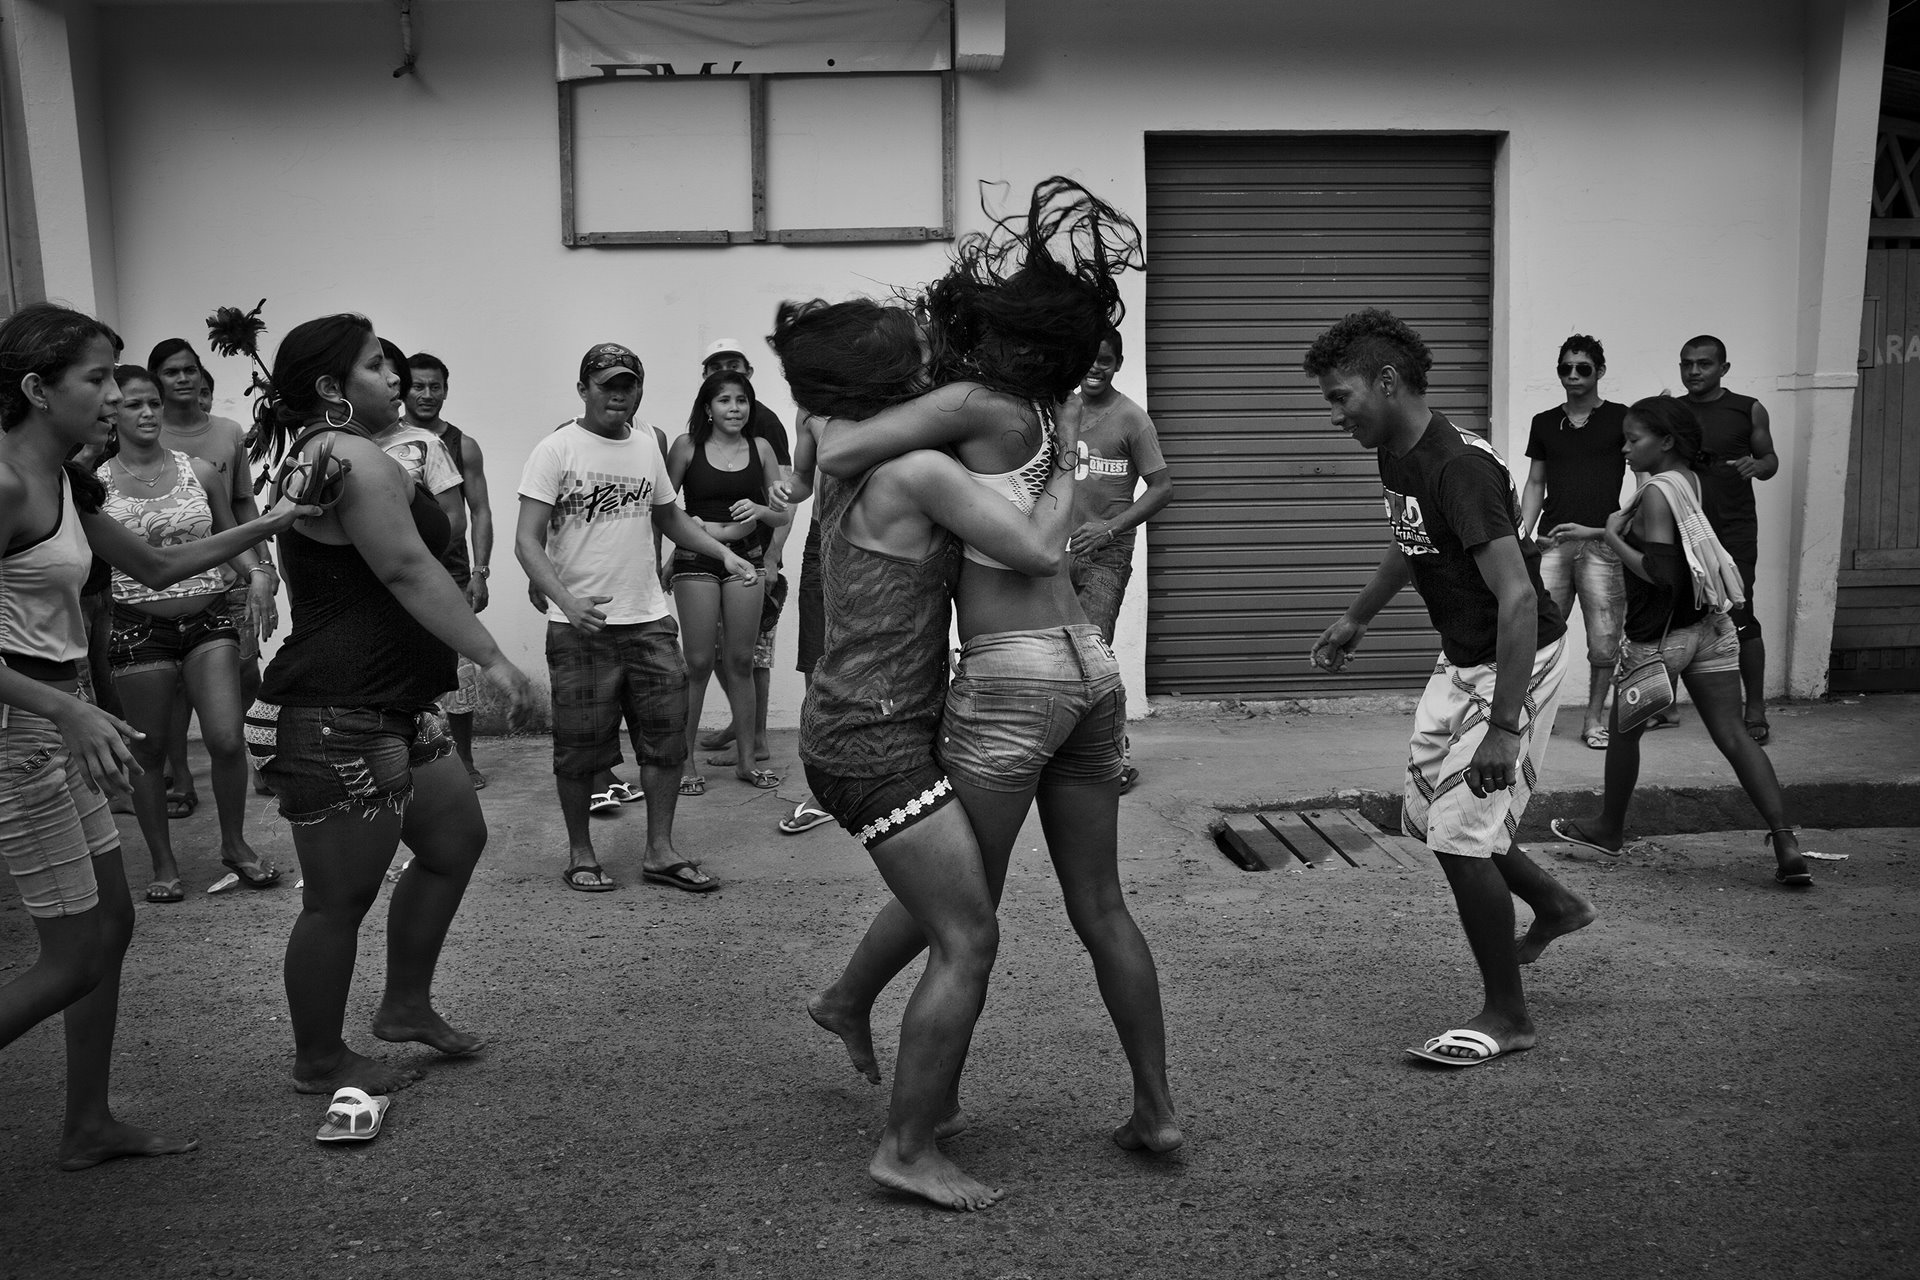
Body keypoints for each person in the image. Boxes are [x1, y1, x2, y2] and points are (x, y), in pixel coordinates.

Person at [807, 176, 1182, 1167]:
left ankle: (902, 1091)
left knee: (959, 908)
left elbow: (845, 448)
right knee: (1098, 904)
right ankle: (1155, 1107)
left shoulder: (971, 404)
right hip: (1090, 666)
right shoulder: (1051, 408)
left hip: (1014, 678)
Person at [772, 295, 1100, 1210]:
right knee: (970, 933)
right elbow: (1038, 549)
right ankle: (906, 1149)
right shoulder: (915, 467)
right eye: (925, 351)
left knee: (960, 902)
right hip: (871, 740)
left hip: (871, 723)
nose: (941, 359)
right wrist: (1065, 444)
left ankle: (856, 1014)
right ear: (902, 381)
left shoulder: (854, 441)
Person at [0, 301, 309, 1167]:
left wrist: (274, 523)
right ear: (35, 388)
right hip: (25, 729)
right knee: (69, 959)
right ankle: (85, 1124)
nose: (115, 394)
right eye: (96, 379)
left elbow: (165, 564)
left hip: (64, 719)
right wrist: (64, 706)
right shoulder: (6, 483)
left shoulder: (62, 482)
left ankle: (86, 1124)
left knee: (113, 928)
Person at [243, 313, 535, 1098]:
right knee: (339, 899)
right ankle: (320, 1059)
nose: (395, 377)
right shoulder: (351, 457)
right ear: (333, 389)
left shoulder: (324, 453)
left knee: (452, 839)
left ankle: (404, 1003)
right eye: (377, 367)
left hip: (393, 705)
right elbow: (408, 569)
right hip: (339, 711)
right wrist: (492, 658)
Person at [1304, 307, 1595, 1069]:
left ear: (1388, 381)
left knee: (1462, 835)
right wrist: (1354, 619)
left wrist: (1505, 727)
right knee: (1428, 816)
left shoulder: (1456, 466)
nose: (1335, 416)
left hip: (1516, 659)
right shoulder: (1397, 454)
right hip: (1465, 656)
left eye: (1341, 398)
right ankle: (1557, 905)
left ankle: (1508, 1014)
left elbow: (1521, 598)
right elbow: (1411, 546)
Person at [515, 343, 758, 894]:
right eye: (607, 385)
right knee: (579, 746)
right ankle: (582, 853)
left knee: (666, 740)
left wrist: (723, 553)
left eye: (628, 384)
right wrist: (565, 601)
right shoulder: (556, 450)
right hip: (581, 626)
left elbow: (669, 516)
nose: (619, 394)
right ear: (584, 390)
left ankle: (659, 851)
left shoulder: (648, 445)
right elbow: (527, 542)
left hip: (648, 617)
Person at [1545, 398, 1814, 886]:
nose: (1625, 449)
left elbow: (1659, 571)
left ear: (1665, 441)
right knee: (1733, 734)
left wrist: (1608, 531)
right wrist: (1596, 531)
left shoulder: (1653, 493)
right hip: (1710, 631)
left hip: (1659, 640)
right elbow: (1665, 541)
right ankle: (1785, 839)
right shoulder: (1687, 480)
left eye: (1634, 440)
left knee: (1623, 733)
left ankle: (1609, 828)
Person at [99, 363, 279, 902]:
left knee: (225, 738)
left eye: (153, 402)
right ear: (113, 412)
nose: (149, 412)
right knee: (149, 753)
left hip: (207, 622)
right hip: (137, 629)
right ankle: (163, 863)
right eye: (134, 404)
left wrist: (260, 575)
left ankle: (234, 845)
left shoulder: (199, 470)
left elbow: (232, 536)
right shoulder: (95, 485)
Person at [149, 338, 272, 815]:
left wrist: (262, 561)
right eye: (171, 371)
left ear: (202, 375)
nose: (182, 378)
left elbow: (241, 502)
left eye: (189, 370)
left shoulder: (228, 431)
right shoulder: (146, 432)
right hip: (170, 579)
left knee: (245, 670)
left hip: (233, 574)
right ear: (156, 380)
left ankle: (260, 761)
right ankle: (181, 780)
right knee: (177, 685)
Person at [667, 369, 789, 794]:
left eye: (741, 400)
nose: (734, 408)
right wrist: (704, 533)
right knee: (698, 662)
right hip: (695, 559)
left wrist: (758, 508)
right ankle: (683, 764)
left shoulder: (761, 447)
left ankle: (746, 762)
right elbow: (664, 510)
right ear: (708, 407)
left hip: (748, 560)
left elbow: (782, 514)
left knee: (741, 662)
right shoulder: (686, 447)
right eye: (724, 400)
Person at [1067, 324, 1172, 792]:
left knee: (1094, 656)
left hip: (1105, 557)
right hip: (1050, 553)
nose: (1095, 369)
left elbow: (1163, 488)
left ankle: (1112, 759)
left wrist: (1109, 527)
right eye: (1088, 359)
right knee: (1051, 653)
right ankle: (1060, 753)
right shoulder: (1059, 410)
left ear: (1118, 366)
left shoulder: (1132, 419)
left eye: (1105, 362)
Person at [1520, 336, 1629, 748]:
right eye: (1565, 368)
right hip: (1554, 541)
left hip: (1603, 544)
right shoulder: (1545, 422)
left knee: (1604, 640)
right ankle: (1532, 719)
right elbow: (1535, 482)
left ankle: (1593, 719)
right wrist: (1524, 537)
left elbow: (1641, 483)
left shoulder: (1622, 418)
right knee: (1538, 634)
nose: (1573, 375)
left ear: (1600, 371)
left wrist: (1610, 532)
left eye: (1583, 368)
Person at [696, 339, 792, 772]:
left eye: (733, 368)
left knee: (750, 653)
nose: (733, 406)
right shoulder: (698, 431)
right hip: (705, 557)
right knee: (715, 653)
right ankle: (743, 728)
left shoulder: (764, 424)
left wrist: (772, 558)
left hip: (755, 554)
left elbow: (784, 500)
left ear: (750, 373)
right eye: (716, 370)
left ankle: (755, 740)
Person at [1679, 336, 1777, 745]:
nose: (1694, 371)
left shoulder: (1747, 408)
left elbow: (1770, 460)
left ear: (1724, 368)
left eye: (1704, 364)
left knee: (1740, 613)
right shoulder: (1674, 411)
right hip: (1684, 526)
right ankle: (1663, 704)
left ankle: (1753, 707)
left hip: (1734, 529)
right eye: (1687, 364)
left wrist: (1757, 465)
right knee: (1678, 615)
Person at [403, 351, 494, 788]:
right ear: (402, 388)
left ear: (446, 390)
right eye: (417, 385)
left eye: (434, 386)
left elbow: (480, 511)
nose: (426, 394)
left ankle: (465, 759)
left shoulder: (462, 445)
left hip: (452, 574)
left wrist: (481, 571)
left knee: (460, 668)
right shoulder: (384, 443)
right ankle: (405, 756)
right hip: (396, 574)